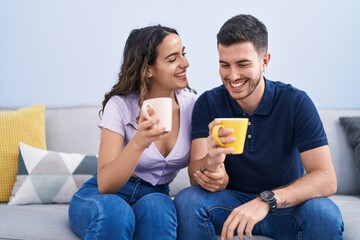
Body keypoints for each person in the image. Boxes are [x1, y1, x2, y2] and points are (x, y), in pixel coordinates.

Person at [174, 14, 344, 240]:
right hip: (231, 204)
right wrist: (211, 162)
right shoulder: (208, 103)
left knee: (325, 215)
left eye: (243, 64)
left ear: (265, 61)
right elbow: (196, 179)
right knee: (187, 201)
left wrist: (266, 200)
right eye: (224, 65)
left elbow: (326, 178)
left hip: (285, 205)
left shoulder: (295, 102)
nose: (232, 76)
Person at [68, 25, 197, 240]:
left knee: (160, 210)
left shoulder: (193, 105)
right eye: (173, 59)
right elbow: (106, 184)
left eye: (183, 53)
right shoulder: (120, 106)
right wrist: (139, 142)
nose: (185, 63)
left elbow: (201, 166)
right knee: (117, 213)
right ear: (148, 69)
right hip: (105, 196)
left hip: (155, 194)